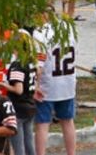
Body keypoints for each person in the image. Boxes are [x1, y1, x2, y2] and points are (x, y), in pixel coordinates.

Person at [34, 17, 78, 155]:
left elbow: (39, 65)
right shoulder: (69, 28)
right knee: (68, 121)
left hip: (48, 84)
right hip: (68, 82)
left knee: (42, 124)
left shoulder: (40, 33)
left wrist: (36, 84)